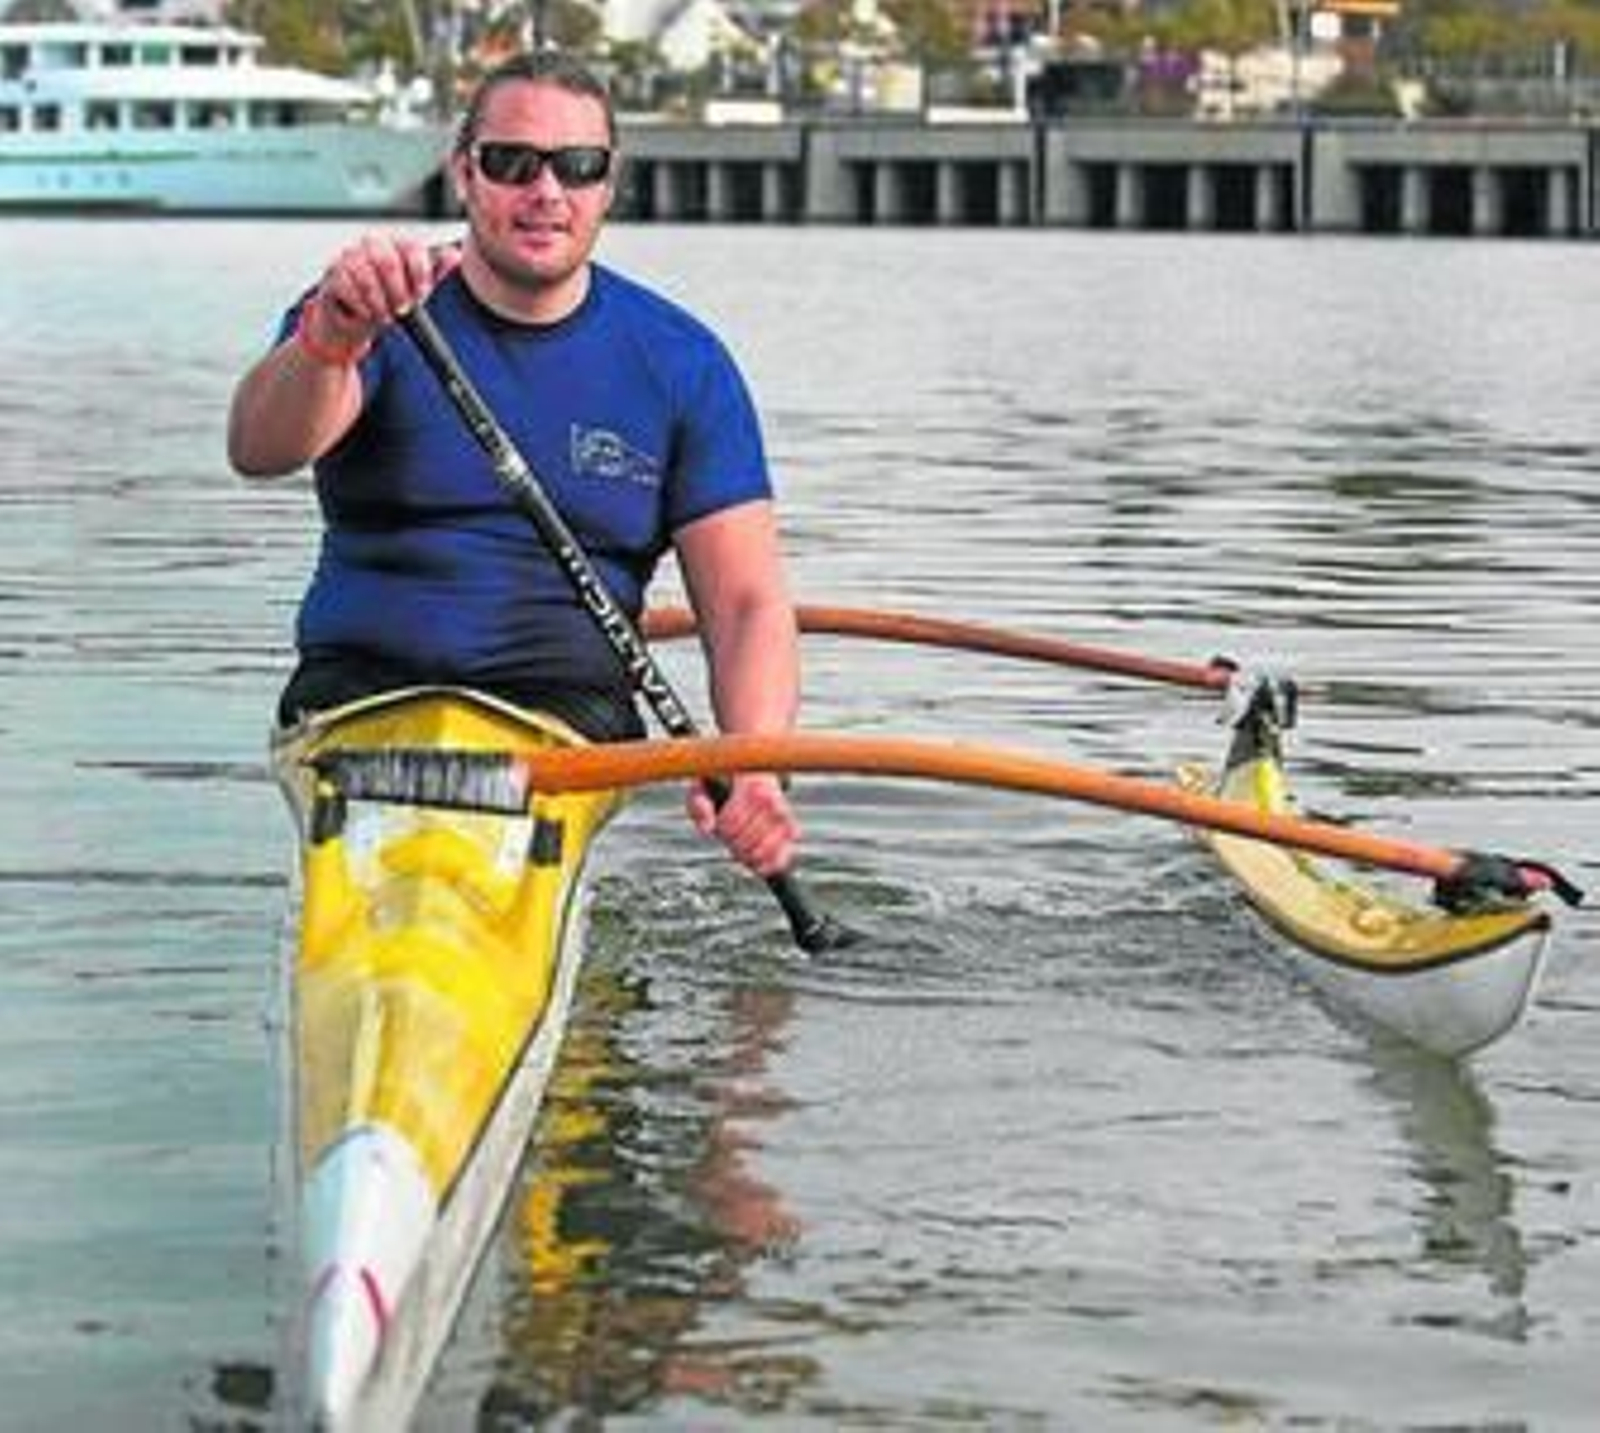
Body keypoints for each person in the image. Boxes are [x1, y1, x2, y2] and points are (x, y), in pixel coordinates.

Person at [227, 50, 800, 879]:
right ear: (464, 171)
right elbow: (258, 448)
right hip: (356, 713)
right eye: (511, 163)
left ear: (609, 184)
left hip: (565, 734)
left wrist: (755, 764)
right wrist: (328, 341)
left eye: (577, 167)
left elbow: (746, 604)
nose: (546, 193)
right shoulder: (374, 307)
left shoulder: (683, 364)